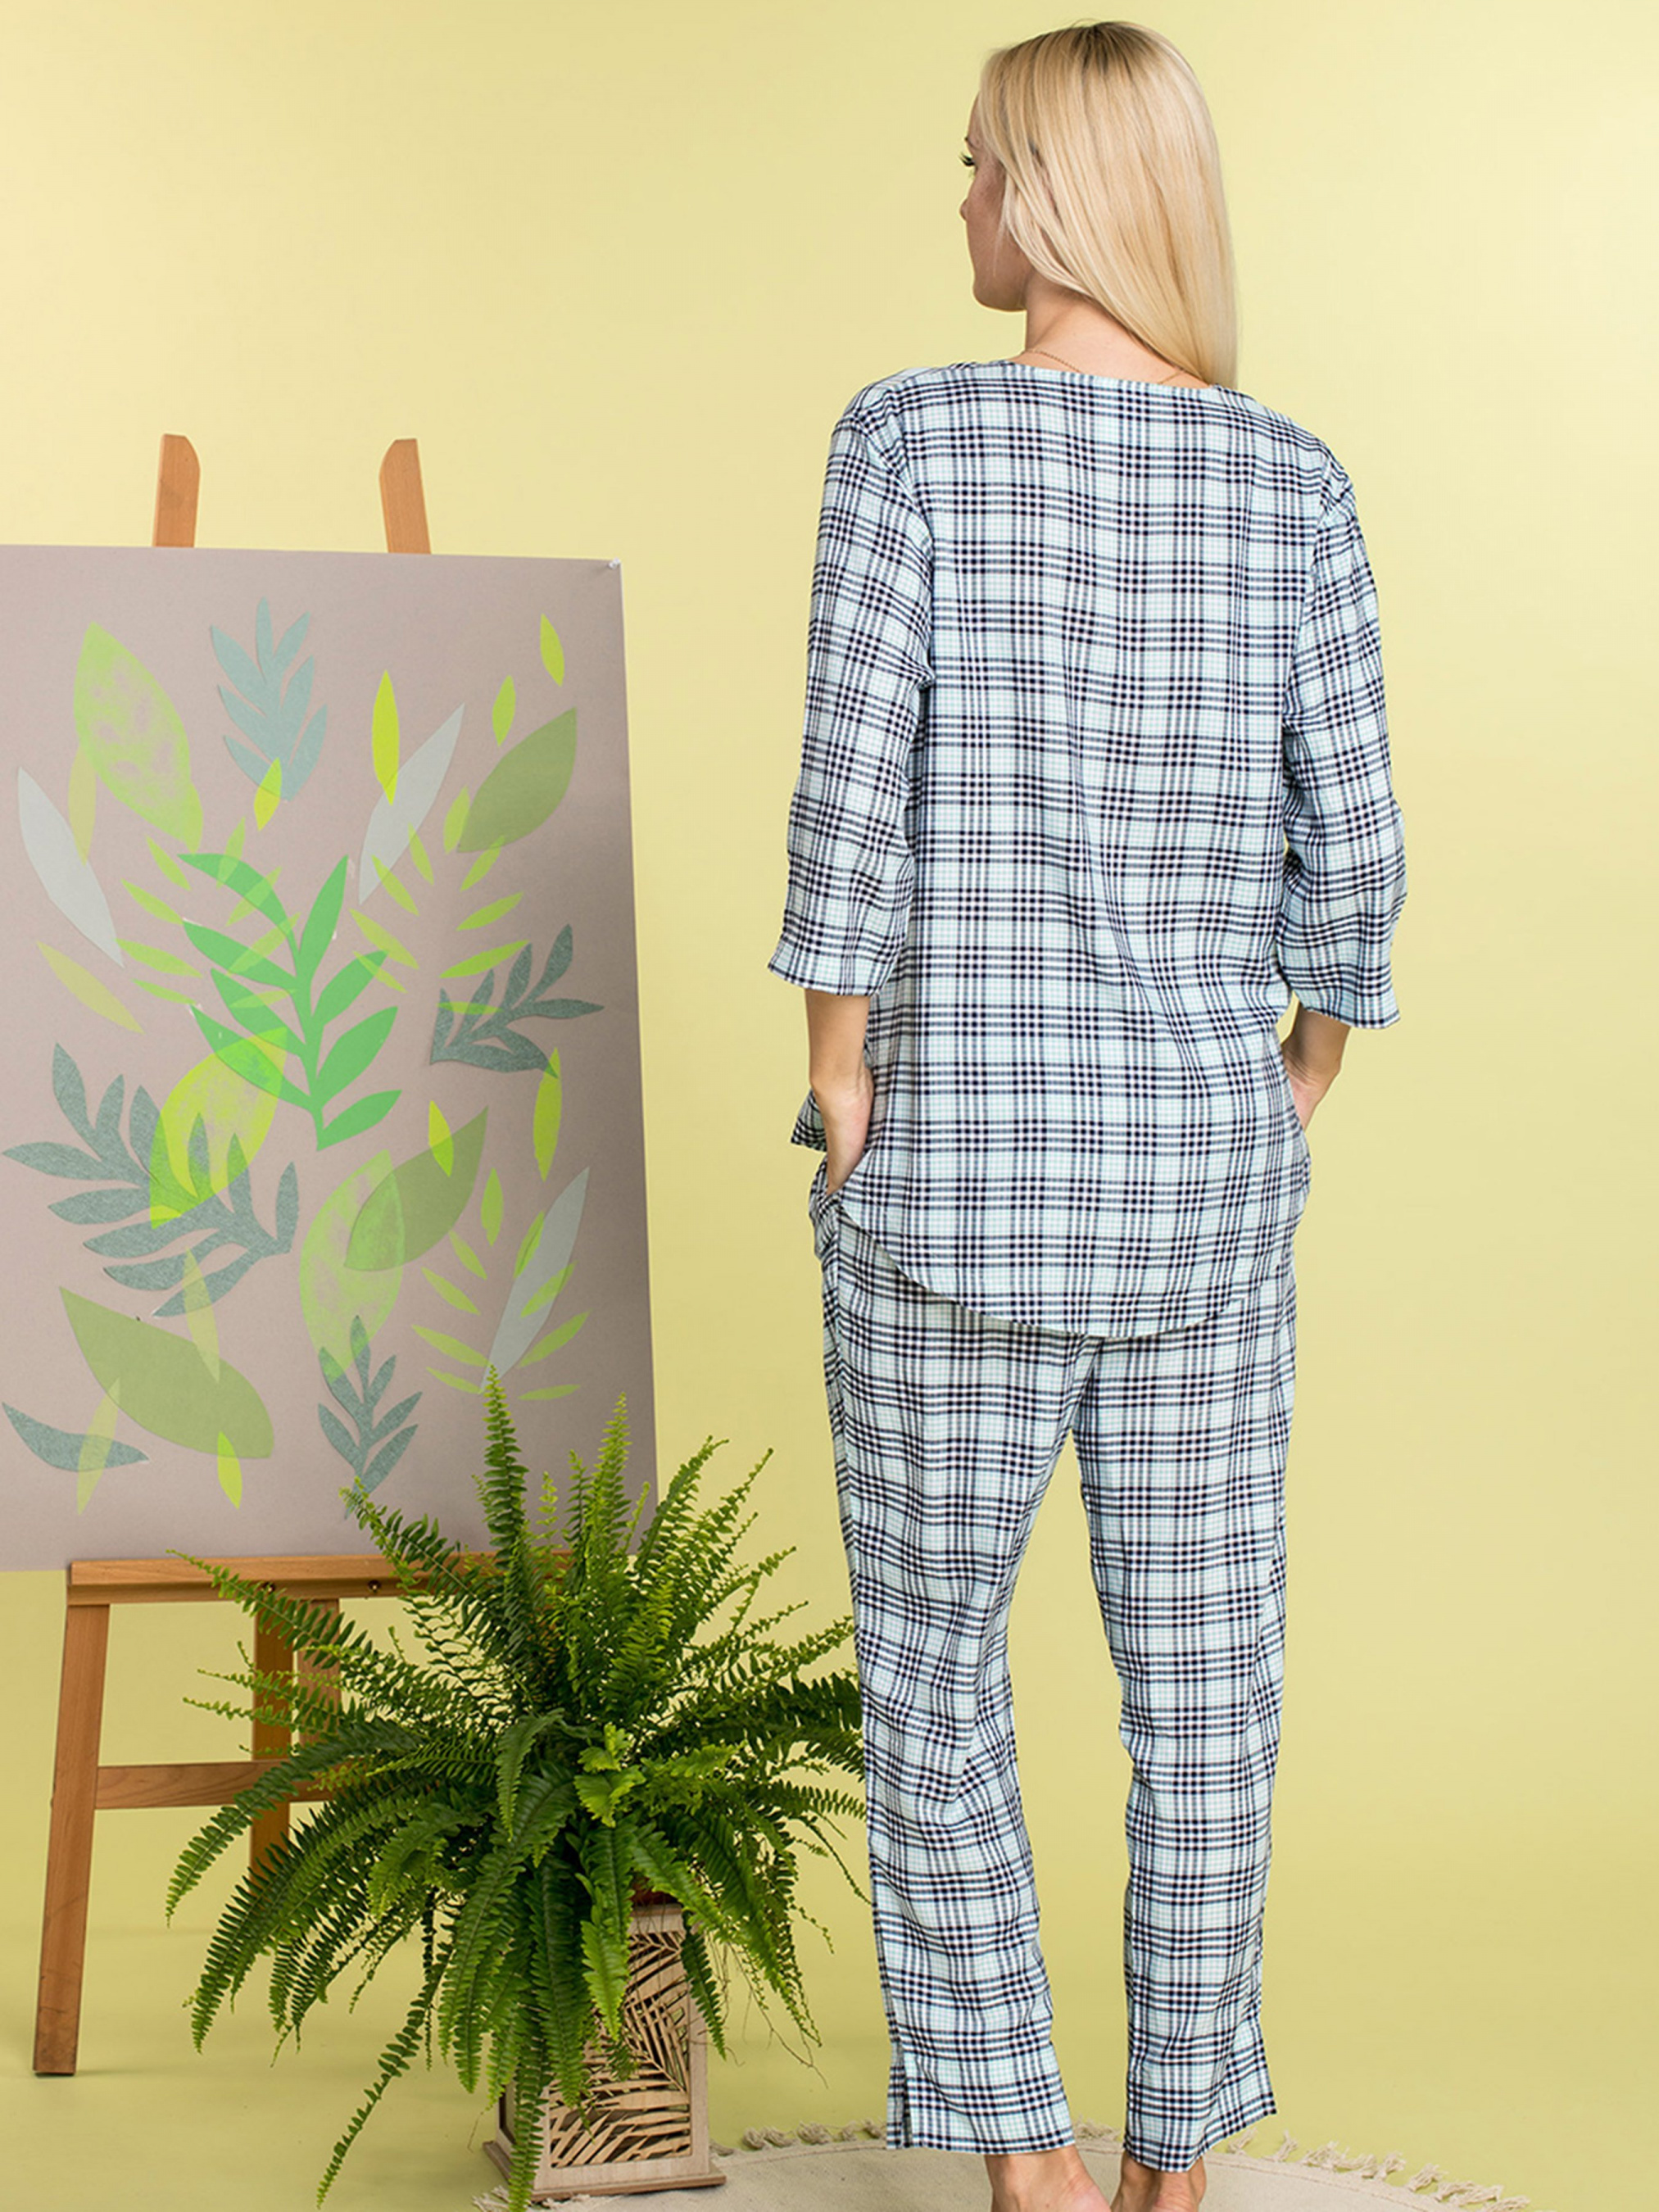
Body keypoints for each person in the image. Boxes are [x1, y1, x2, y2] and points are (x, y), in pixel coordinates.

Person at [766, 22, 1407, 2212]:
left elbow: (849, 795)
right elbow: (1357, 854)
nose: (956, 200)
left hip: (947, 1184)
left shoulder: (907, 442)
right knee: (1205, 1694)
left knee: (932, 1677)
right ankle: (1178, 2154)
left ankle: (1027, 2153)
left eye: (975, 165)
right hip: (1205, 1198)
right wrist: (1290, 1085)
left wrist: (840, 1074)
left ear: (1043, 196)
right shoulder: (1294, 482)